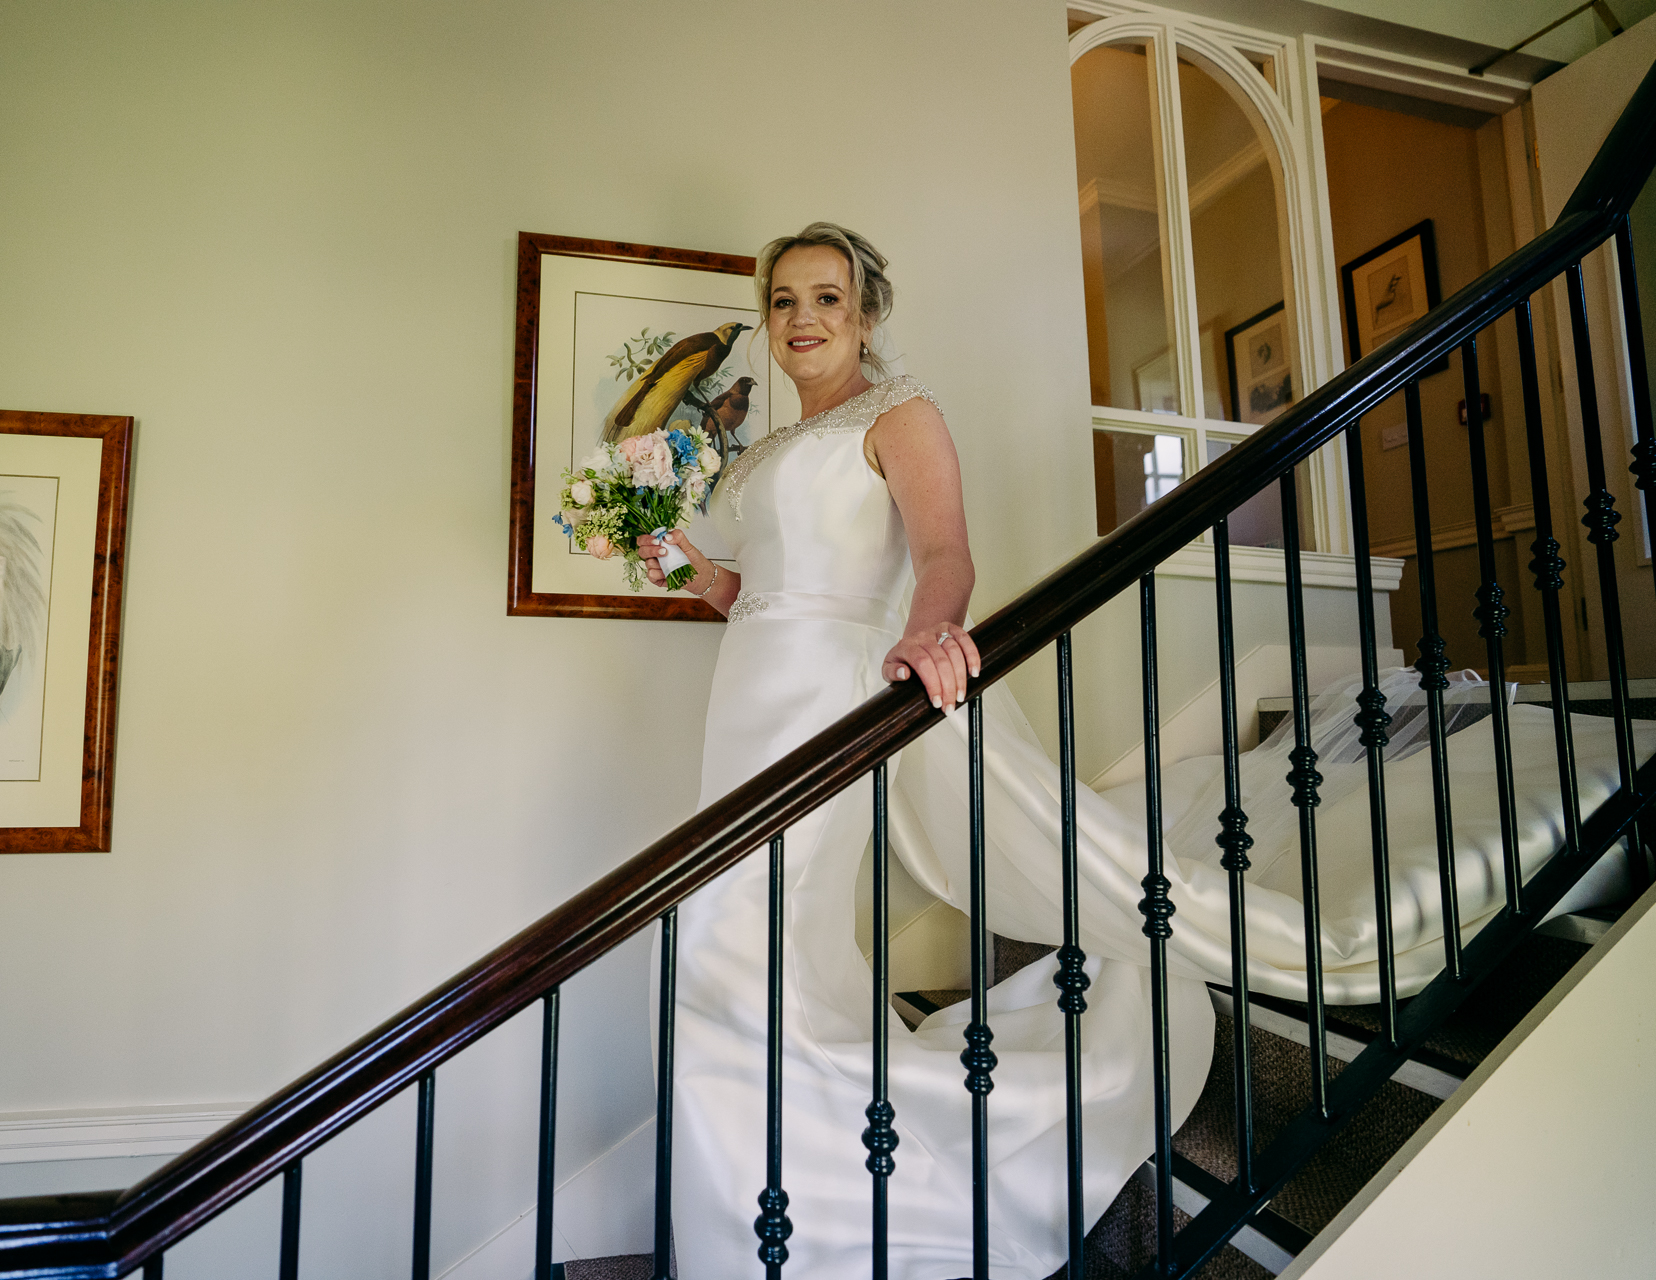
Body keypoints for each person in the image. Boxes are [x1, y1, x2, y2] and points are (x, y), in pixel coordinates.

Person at [636, 223, 1648, 1278]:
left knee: (731, 935)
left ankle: (776, 1224)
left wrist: (932, 630)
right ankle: (786, 1183)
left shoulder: (901, 413)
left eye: (828, 298)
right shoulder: (754, 451)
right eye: (786, 300)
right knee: (759, 935)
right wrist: (689, 568)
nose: (804, 319)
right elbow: (758, 595)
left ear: (866, 314)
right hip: (746, 699)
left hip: (830, 701)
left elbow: (945, 553)